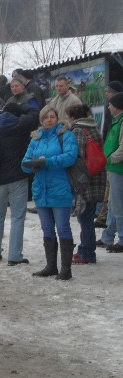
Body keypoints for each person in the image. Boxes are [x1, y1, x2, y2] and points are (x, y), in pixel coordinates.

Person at [22, 105, 78, 280]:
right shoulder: (35, 138)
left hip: (60, 188)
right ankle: (51, 266)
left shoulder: (65, 135)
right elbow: (24, 162)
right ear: (41, 120)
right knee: (47, 229)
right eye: (46, 117)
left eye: (52, 116)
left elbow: (70, 157)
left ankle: (66, 269)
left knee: (62, 228)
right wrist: (32, 165)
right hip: (41, 189)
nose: (49, 120)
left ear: (57, 117)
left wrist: (47, 162)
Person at [0, 102, 38, 266]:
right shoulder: (23, 126)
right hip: (18, 177)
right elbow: (35, 112)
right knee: (17, 217)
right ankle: (15, 256)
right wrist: (23, 108)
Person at [65, 103, 106, 265]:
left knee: (85, 218)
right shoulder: (93, 128)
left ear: (74, 117)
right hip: (97, 177)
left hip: (85, 180)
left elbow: (78, 157)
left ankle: (88, 253)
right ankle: (84, 248)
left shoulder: (77, 130)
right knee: (87, 216)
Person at [101, 92, 123, 253]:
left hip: (118, 168)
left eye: (111, 104)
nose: (108, 106)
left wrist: (109, 159)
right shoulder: (117, 121)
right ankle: (107, 236)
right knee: (113, 204)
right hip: (113, 168)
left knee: (118, 205)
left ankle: (122, 239)